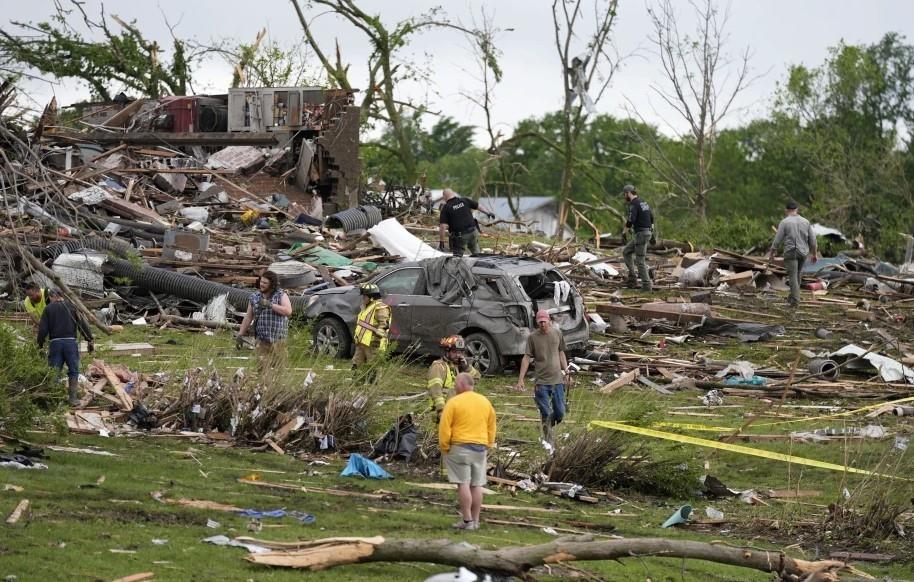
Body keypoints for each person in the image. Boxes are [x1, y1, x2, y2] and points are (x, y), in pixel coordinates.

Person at [439, 372, 496, 531]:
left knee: (463, 483)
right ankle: (476, 520)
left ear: (462, 384)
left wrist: (445, 446)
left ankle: (467, 520)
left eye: (456, 383)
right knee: (477, 484)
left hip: (460, 447)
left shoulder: (454, 402)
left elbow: (445, 427)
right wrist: (489, 443)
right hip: (480, 447)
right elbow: (491, 425)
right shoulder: (485, 402)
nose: (454, 386)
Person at [515, 309, 568, 443]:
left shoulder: (557, 333)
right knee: (545, 412)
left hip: (557, 380)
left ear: (549, 320)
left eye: (544, 322)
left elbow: (561, 353)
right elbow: (526, 358)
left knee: (560, 413)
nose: (542, 325)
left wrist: (566, 371)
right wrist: (521, 379)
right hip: (541, 382)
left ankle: (547, 425)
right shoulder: (532, 337)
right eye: (540, 323)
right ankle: (549, 443)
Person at [37, 288, 94, 405]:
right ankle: (73, 399)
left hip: (55, 344)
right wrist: (89, 339)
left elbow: (43, 329)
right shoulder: (73, 306)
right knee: (73, 371)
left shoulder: (48, 309)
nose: (50, 300)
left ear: (53, 296)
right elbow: (82, 324)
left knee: (54, 371)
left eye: (50, 298)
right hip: (70, 344)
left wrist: (40, 344)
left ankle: (53, 400)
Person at [236, 271, 292, 386]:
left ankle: (279, 392)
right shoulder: (254, 297)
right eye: (261, 281)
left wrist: (270, 305)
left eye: (265, 283)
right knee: (262, 371)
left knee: (280, 370)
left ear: (272, 284)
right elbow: (248, 317)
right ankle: (263, 391)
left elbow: (288, 311)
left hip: (278, 340)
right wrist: (240, 334)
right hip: (261, 340)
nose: (262, 284)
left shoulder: (281, 295)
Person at [768, 200, 817, 307]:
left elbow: (777, 240)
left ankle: (795, 300)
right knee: (798, 274)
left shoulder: (785, 222)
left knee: (793, 276)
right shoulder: (806, 221)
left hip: (791, 252)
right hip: (803, 252)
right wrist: (814, 254)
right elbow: (813, 240)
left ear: (787, 210)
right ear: (797, 210)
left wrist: (772, 252)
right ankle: (794, 296)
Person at [427, 335, 481, 419]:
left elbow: (476, 378)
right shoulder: (438, 367)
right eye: (454, 351)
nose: (458, 355)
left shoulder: (459, 367)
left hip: (456, 410)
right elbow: (435, 390)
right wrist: (441, 411)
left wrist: (466, 367)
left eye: (460, 352)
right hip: (441, 412)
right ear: (447, 351)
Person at [438, 188, 495, 257]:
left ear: (444, 197)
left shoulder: (446, 208)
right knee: (477, 254)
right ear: (453, 194)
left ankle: (457, 264)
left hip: (460, 237)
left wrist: (442, 241)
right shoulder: (464, 200)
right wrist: (488, 213)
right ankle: (479, 263)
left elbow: (442, 227)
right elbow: (478, 206)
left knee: (456, 259)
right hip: (473, 232)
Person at [351, 283, 391, 380]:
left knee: (373, 367)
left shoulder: (380, 308)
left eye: (364, 296)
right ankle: (357, 382)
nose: (363, 298)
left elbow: (384, 326)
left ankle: (372, 386)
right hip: (362, 343)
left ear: (371, 297)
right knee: (357, 363)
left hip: (373, 343)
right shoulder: (367, 307)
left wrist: (376, 341)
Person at [621, 184, 654, 291]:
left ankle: (646, 285)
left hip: (641, 234)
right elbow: (651, 217)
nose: (624, 196)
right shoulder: (644, 202)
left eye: (625, 194)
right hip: (646, 233)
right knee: (626, 252)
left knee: (640, 260)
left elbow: (631, 220)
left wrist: (624, 233)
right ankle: (632, 277)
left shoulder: (634, 204)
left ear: (629, 193)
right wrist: (651, 231)